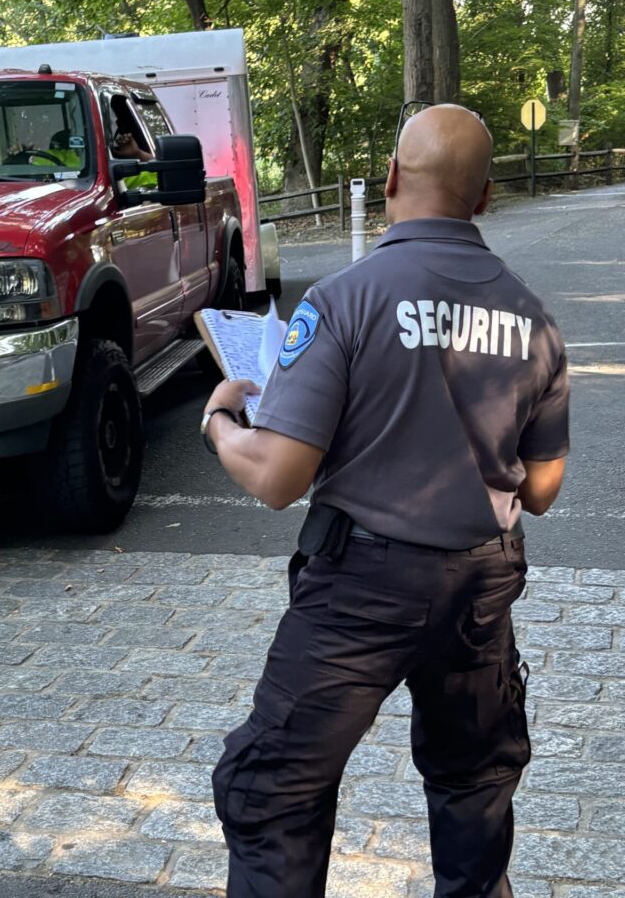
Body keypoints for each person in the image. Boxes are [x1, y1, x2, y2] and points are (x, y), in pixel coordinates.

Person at [203, 103, 569, 898]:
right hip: (480, 591)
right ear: (482, 198)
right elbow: (542, 489)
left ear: (394, 179)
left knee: (273, 791)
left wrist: (222, 423)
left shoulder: (346, 299)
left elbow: (277, 477)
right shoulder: (535, 322)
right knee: (475, 786)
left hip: (358, 596)